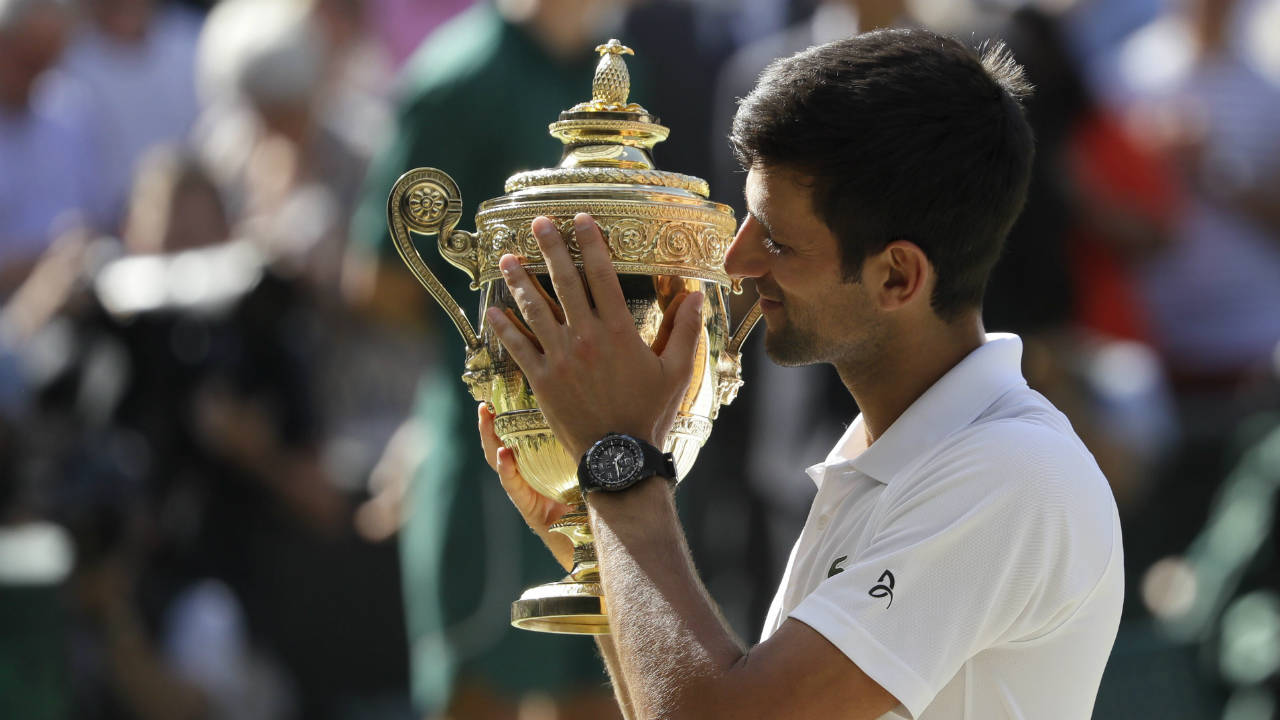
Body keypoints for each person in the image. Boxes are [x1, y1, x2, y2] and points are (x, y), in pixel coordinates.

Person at [477, 29, 1124, 719]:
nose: (738, 262)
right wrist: (602, 534)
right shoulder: (888, 457)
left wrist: (621, 460)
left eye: (777, 239)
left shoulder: (1009, 473)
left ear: (897, 276)